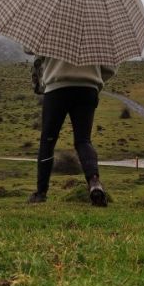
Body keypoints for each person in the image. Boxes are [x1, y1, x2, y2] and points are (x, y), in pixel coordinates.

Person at [25, 48, 117, 206]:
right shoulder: (97, 29)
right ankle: (94, 183)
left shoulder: (52, 25)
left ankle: (41, 193)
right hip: (88, 89)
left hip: (57, 88)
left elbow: (30, 49)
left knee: (48, 140)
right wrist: (93, 79)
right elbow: (110, 68)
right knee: (83, 141)